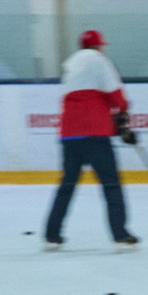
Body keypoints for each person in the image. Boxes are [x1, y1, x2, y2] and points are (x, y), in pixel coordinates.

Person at [43, 29, 137, 252]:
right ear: (98, 46)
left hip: (69, 135)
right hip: (94, 135)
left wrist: (115, 120)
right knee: (111, 184)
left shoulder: (70, 65)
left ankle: (51, 234)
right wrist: (123, 116)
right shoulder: (99, 61)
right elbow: (115, 96)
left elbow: (86, 100)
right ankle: (120, 235)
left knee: (66, 186)